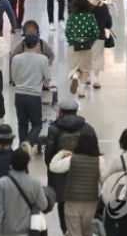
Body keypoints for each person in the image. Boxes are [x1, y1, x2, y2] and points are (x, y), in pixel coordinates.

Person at [44, 98, 97, 234]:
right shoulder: (87, 128)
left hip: (61, 175)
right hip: (83, 175)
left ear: (60, 111)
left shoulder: (54, 128)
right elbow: (94, 153)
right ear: (76, 111)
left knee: (63, 205)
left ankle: (66, 231)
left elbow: (49, 154)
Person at [49, 131, 104, 236]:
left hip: (72, 202)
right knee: (87, 232)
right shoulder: (99, 161)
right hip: (91, 202)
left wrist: (61, 153)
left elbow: (53, 166)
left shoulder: (71, 159)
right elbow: (104, 182)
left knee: (74, 233)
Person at [0, 148, 48, 236]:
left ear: (11, 164)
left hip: (8, 232)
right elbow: (44, 205)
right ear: (27, 163)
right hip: (29, 231)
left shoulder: (2, 183)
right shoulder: (35, 182)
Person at [11, 34, 50, 147]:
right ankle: (28, 143)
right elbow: (47, 77)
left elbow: (14, 78)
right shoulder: (43, 59)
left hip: (19, 95)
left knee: (22, 124)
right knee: (37, 124)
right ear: (37, 45)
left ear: (24, 44)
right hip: (34, 95)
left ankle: (23, 146)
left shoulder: (16, 58)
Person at [65, 0, 100, 98]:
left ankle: (75, 77)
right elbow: (96, 32)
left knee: (76, 67)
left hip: (74, 46)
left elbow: (67, 31)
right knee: (85, 70)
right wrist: (91, 41)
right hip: (87, 46)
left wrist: (72, 41)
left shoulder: (72, 16)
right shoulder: (90, 16)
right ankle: (81, 90)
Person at [9, 20, 55, 86]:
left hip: (39, 78)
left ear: (37, 32)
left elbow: (51, 55)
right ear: (25, 33)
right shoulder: (21, 44)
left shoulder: (42, 44)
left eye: (33, 33)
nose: (31, 36)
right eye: (28, 33)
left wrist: (46, 64)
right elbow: (12, 56)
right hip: (24, 77)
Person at [88, 0, 112, 89]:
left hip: (86, 36)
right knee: (97, 58)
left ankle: (87, 77)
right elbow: (108, 23)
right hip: (99, 36)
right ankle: (96, 79)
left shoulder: (85, 6)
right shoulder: (104, 7)